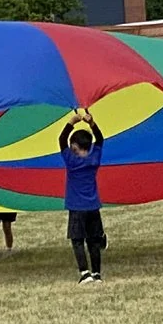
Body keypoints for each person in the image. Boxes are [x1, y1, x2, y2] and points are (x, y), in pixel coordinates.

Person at [59, 111, 106, 284]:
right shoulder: (94, 158)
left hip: (77, 207)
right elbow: (100, 139)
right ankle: (97, 273)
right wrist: (91, 123)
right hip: (93, 206)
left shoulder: (72, 161)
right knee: (94, 241)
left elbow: (61, 140)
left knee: (77, 240)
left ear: (75, 147)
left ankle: (85, 273)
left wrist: (72, 121)